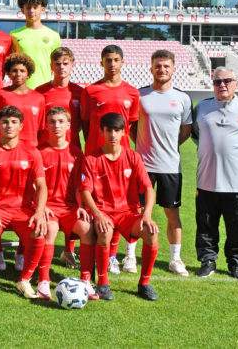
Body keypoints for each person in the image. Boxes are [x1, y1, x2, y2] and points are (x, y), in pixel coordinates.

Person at [192, 68, 238, 280]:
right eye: (217, 82)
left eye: (227, 81)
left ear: (236, 84)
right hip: (207, 179)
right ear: (212, 85)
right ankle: (207, 260)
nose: (222, 85)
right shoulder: (202, 108)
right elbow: (196, 135)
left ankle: (236, 264)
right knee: (206, 225)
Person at [80, 113, 160, 301]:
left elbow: (149, 189)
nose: (113, 135)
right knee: (105, 231)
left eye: (117, 131)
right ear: (102, 132)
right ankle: (103, 282)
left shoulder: (133, 157)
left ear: (124, 132)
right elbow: (85, 191)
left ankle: (144, 284)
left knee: (151, 232)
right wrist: (98, 215)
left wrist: (147, 215)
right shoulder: (91, 159)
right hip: (104, 211)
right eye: (109, 131)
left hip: (127, 213)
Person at [0, 106, 48, 300]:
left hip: (22, 209)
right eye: (5, 122)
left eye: (14, 122)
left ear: (21, 126)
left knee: (39, 232)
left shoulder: (32, 152)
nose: (9, 125)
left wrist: (39, 212)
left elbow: (41, 186)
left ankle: (25, 280)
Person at [80, 44, 141, 273]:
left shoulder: (132, 92)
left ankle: (112, 256)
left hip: (121, 159)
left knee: (118, 206)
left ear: (122, 62)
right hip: (96, 158)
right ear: (101, 62)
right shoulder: (91, 91)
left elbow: (131, 124)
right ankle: (94, 249)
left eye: (116, 60)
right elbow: (86, 124)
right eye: (108, 60)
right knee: (96, 205)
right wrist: (92, 148)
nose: (112, 64)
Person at [133, 49, 193, 276]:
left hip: (170, 165)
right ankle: (130, 255)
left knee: (172, 213)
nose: (162, 70)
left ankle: (175, 259)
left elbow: (186, 129)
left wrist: (171, 145)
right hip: (143, 166)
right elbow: (131, 127)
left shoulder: (183, 98)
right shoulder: (140, 95)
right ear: (151, 68)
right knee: (137, 211)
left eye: (166, 66)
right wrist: (141, 146)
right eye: (158, 66)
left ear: (174, 69)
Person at [37, 106, 97, 299]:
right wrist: (42, 207)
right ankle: (43, 281)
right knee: (51, 230)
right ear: (46, 124)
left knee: (87, 229)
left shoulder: (76, 153)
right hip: (49, 208)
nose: (57, 126)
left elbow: (80, 185)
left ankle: (86, 279)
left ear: (69, 126)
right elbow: (34, 185)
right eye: (53, 122)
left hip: (70, 208)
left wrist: (80, 206)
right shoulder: (39, 152)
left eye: (61, 122)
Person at [9, 0, 60, 90]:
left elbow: (55, 65)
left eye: (35, 7)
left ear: (42, 9)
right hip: (20, 89)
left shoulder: (53, 36)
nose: (31, 11)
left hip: (44, 89)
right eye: (28, 8)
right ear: (22, 10)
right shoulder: (14, 35)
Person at [36, 47, 84, 149]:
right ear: (51, 66)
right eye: (57, 64)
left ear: (72, 65)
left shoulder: (80, 92)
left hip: (72, 147)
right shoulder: (40, 91)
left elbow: (82, 122)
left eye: (65, 64)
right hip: (45, 148)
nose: (61, 67)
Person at [0, 53, 46, 149]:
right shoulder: (0, 94)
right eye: (14, 71)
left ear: (28, 74)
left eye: (22, 71)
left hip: (30, 149)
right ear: (9, 74)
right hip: (6, 147)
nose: (18, 74)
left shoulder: (39, 98)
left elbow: (40, 129)